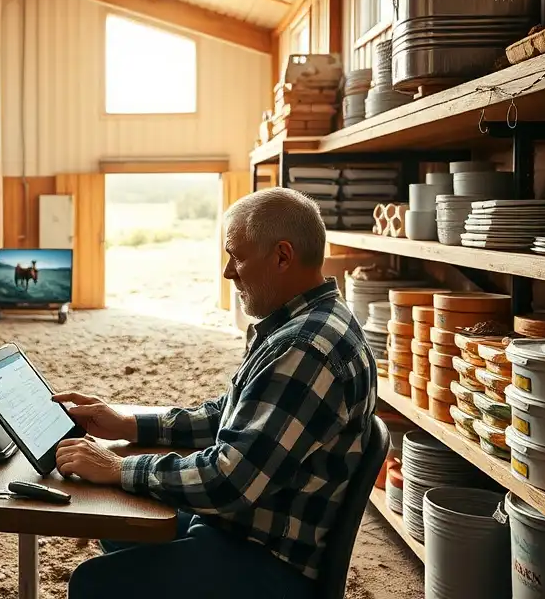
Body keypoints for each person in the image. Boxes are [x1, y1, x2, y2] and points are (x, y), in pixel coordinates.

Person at [53, 187, 377, 599]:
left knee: (94, 582)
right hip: (255, 526)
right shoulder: (309, 321)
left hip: (268, 558)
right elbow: (230, 415)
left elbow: (228, 481)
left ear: (282, 256)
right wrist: (129, 423)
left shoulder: (303, 350)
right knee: (123, 522)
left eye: (236, 256)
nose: (228, 272)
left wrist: (117, 469)